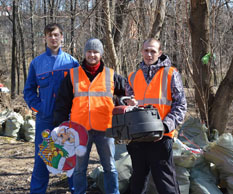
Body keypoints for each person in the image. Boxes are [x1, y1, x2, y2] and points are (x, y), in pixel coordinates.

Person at [53, 38, 125, 194]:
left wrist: (122, 104)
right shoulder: (73, 75)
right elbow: (61, 104)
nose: (92, 55)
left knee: (110, 167)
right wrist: (61, 127)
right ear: (84, 53)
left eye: (96, 51)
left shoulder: (111, 75)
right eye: (89, 51)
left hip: (106, 129)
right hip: (80, 132)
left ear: (101, 54)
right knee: (79, 169)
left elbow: (126, 95)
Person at [125, 38, 187, 194]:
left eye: (153, 51)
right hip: (138, 138)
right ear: (141, 51)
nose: (149, 54)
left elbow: (180, 105)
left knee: (165, 183)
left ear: (159, 53)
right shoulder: (133, 76)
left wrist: (165, 126)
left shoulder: (171, 74)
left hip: (161, 137)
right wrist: (128, 104)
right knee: (137, 182)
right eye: (146, 50)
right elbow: (127, 105)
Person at [23, 23, 79, 193]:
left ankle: (76, 190)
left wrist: (73, 112)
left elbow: (79, 91)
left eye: (56, 35)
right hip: (45, 120)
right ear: (45, 38)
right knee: (43, 158)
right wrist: (40, 108)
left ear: (62, 37)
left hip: (67, 120)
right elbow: (29, 91)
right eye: (50, 35)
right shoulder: (37, 63)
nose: (53, 38)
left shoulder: (72, 63)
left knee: (71, 157)